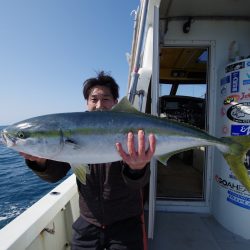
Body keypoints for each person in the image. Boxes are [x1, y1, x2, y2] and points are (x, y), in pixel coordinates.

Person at [20, 71, 156, 250]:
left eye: (106, 99)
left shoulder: (129, 130)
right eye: (94, 99)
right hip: (88, 222)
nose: (99, 104)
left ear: (116, 102)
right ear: (87, 102)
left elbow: (138, 184)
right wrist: (40, 163)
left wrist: (137, 169)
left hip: (126, 222)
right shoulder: (72, 130)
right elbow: (55, 175)